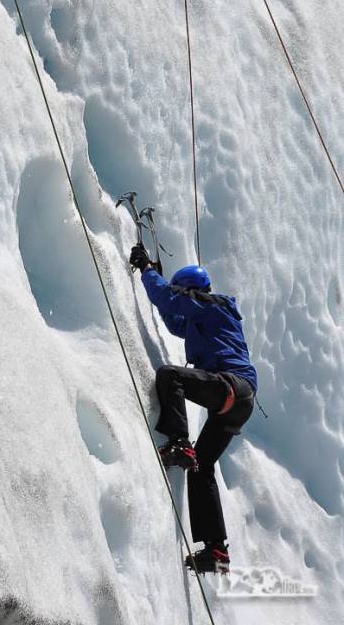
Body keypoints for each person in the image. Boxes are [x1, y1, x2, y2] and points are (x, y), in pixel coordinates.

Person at [129, 243, 258, 575]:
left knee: (171, 375)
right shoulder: (210, 316)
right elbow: (175, 321)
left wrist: (148, 271)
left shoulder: (210, 303)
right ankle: (215, 549)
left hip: (230, 386)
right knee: (202, 467)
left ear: (192, 290)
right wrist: (158, 285)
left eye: (184, 291)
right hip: (237, 402)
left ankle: (178, 441)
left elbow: (172, 300)